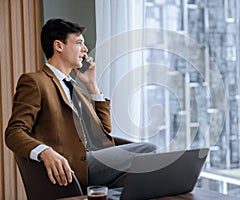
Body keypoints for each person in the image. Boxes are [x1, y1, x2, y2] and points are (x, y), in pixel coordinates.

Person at [5, 18, 156, 190]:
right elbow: (14, 132)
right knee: (149, 149)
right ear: (59, 46)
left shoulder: (75, 88)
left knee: (142, 178)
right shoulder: (35, 81)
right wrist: (45, 152)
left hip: (94, 160)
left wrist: (92, 85)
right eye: (79, 43)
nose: (85, 49)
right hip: (73, 166)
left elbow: (104, 133)